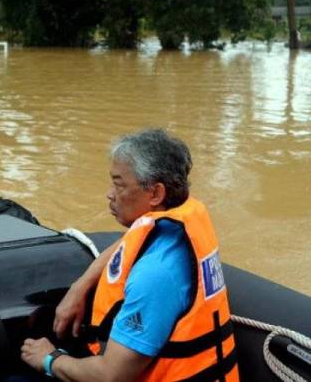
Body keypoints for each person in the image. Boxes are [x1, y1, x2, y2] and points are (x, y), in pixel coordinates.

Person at [20, 129, 239, 381]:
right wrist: (79, 287)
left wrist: (49, 359)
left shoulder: (156, 273)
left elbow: (111, 376)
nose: (110, 194)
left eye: (119, 184)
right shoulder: (171, 227)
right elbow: (128, 244)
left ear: (156, 194)